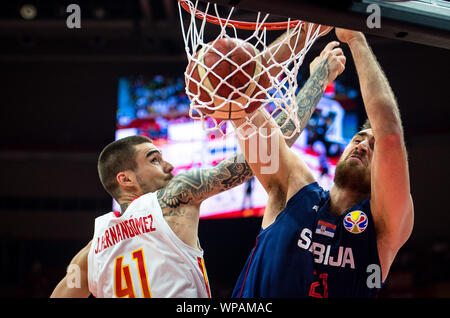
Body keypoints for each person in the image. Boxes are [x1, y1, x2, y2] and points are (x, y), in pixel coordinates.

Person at [50, 26, 343, 298]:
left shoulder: (92, 251)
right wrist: (319, 77)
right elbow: (267, 153)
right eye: (154, 160)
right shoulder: (171, 198)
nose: (169, 167)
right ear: (125, 179)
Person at [231, 28, 414, 298]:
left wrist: (355, 38)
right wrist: (306, 30)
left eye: (372, 147)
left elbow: (389, 135)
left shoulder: (384, 226)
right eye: (359, 139)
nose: (363, 145)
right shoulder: (293, 187)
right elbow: (242, 103)